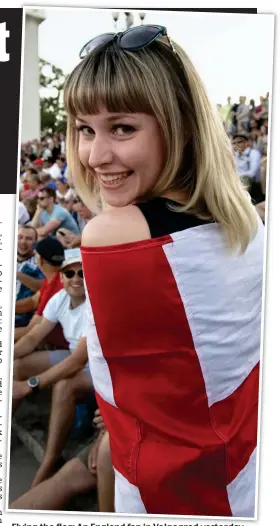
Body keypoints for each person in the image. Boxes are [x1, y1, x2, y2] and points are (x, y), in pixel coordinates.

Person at [63, 24, 263, 517]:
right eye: (85, 129)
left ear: (181, 125)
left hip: (167, 491)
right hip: (244, 472)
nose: (95, 156)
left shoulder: (112, 233)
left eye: (122, 128)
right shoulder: (247, 220)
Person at [13, 249, 93, 486]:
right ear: (61, 277)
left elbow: (77, 362)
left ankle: (51, 459)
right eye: (69, 273)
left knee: (64, 386)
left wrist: (30, 386)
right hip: (74, 356)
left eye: (82, 273)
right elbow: (32, 338)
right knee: (20, 364)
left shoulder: (94, 304)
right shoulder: (60, 298)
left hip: (99, 367)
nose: (76, 278)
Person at [9, 411, 114, 512]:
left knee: (104, 454)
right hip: (114, 432)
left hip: (120, 438)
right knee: (66, 478)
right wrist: (104, 431)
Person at [14, 237, 66, 346]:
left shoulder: (56, 287)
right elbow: (33, 301)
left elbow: (31, 330)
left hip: (58, 345)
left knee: (17, 363)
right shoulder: (54, 277)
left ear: (41, 260)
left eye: (36, 254)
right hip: (49, 339)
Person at [15, 225, 44, 328]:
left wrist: (16, 274)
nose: (23, 242)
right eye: (20, 237)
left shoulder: (39, 263)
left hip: (21, 318)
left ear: (35, 243)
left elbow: (41, 286)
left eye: (29, 239)